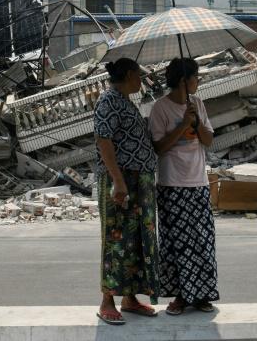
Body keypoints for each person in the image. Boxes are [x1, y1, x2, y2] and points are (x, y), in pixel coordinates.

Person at [149, 57, 219, 315]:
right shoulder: (160, 109)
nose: (198, 81)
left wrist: (195, 122)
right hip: (172, 185)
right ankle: (180, 296)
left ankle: (201, 295)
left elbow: (208, 140)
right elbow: (159, 147)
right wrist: (181, 126)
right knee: (176, 242)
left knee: (202, 241)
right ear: (183, 81)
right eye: (195, 77)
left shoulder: (198, 104)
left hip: (198, 182)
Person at [94, 58, 159, 325]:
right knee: (116, 239)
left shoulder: (124, 100)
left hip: (138, 181)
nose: (141, 81)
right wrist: (118, 181)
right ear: (130, 75)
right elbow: (103, 140)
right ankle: (107, 300)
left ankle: (129, 298)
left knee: (136, 240)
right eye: (139, 76)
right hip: (122, 181)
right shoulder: (108, 101)